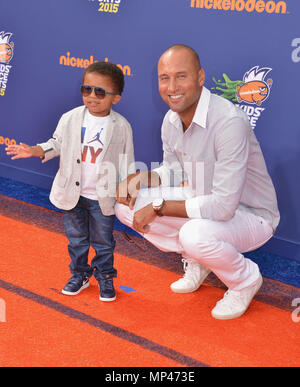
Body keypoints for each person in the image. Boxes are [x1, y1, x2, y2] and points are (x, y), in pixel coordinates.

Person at [115, 45, 280, 319]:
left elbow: (224, 206)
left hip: (251, 215)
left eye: (181, 76)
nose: (172, 87)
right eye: (164, 78)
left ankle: (244, 280)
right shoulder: (170, 119)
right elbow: (175, 171)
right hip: (203, 200)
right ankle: (198, 260)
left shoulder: (228, 122)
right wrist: (140, 178)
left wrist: (158, 207)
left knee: (193, 234)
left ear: (201, 77)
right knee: (126, 207)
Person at [6, 61, 135, 302]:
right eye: (86, 89)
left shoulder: (122, 126)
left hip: (102, 197)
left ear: (115, 98)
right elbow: (56, 143)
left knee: (104, 243)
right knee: (76, 240)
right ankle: (80, 274)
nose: (92, 97)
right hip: (72, 194)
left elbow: (128, 163)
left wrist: (128, 188)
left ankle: (105, 277)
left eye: (100, 92)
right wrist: (35, 150)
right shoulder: (70, 118)